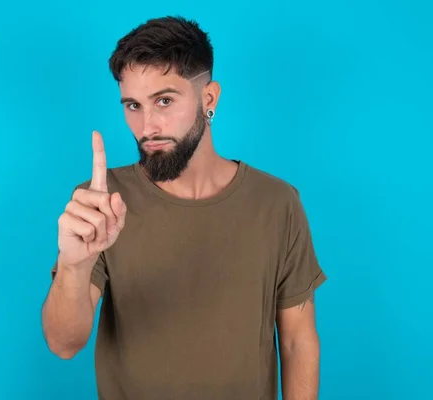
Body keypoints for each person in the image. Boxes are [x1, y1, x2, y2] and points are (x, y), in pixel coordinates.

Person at [41, 15, 327, 400]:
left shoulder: (277, 202)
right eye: (132, 105)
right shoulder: (101, 203)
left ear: (208, 98)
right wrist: (74, 265)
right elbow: (64, 343)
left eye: (164, 100)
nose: (148, 127)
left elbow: (297, 341)